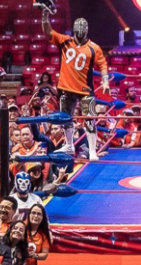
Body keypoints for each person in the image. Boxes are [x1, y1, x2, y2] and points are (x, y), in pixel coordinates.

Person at [40, 10, 109, 161]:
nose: (80, 33)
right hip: (66, 88)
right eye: (78, 30)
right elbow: (48, 32)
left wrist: (105, 80)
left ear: (86, 31)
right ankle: (70, 144)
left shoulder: (94, 48)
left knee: (90, 118)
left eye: (82, 31)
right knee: (66, 118)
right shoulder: (65, 40)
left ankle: (92, 151)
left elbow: (102, 64)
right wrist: (45, 16)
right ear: (74, 30)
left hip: (85, 89)